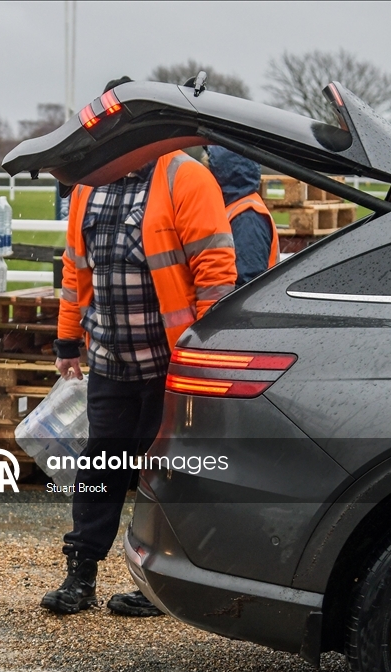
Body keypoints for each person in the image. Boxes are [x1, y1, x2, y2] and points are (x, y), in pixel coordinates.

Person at [42, 78, 237, 618]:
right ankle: (80, 576)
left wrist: (204, 354)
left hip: (170, 364)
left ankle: (159, 586)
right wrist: (67, 341)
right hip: (110, 361)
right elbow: (75, 272)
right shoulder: (86, 186)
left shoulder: (186, 178)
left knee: (164, 474)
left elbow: (216, 275)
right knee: (100, 466)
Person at [205, 145, 278, 286]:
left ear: (223, 173)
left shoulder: (246, 217)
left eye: (209, 168)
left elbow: (246, 285)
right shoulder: (236, 207)